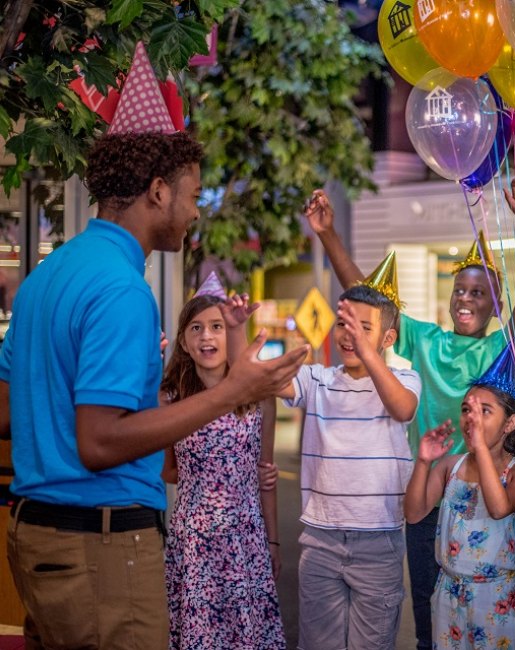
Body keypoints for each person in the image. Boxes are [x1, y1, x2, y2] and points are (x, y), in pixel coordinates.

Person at [0, 42, 306, 649]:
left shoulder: (46, 277)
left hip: (36, 537)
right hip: (100, 545)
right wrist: (234, 393)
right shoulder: (121, 290)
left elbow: (8, 412)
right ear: (159, 191)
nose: (194, 213)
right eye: (192, 196)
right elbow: (98, 442)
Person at [305, 181, 515, 649]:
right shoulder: (427, 341)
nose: (466, 299)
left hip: (481, 491)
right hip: (429, 491)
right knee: (430, 610)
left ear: (495, 305)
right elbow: (370, 303)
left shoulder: (499, 349)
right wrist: (328, 236)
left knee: (485, 603)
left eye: (479, 292)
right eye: (459, 290)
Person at [278, 253, 421, 650]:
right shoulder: (318, 380)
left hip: (379, 540)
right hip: (321, 539)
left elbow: (403, 408)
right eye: (343, 324)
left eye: (362, 327)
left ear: (388, 338)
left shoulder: (405, 379)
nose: (349, 335)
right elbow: (271, 382)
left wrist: (368, 353)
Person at [160, 277, 285, 649]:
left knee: (245, 635)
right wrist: (206, 473)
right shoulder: (169, 398)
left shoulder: (259, 399)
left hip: (245, 539)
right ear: (183, 342)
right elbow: (166, 470)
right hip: (193, 542)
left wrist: (273, 540)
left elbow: (266, 477)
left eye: (216, 327)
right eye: (196, 329)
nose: (206, 337)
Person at [403, 345, 515, 650]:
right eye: (466, 410)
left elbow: (499, 507)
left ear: (509, 424)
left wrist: (482, 450)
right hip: (449, 593)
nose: (470, 418)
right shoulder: (450, 466)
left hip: (496, 599)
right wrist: (423, 461)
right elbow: (413, 514)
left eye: (483, 411)